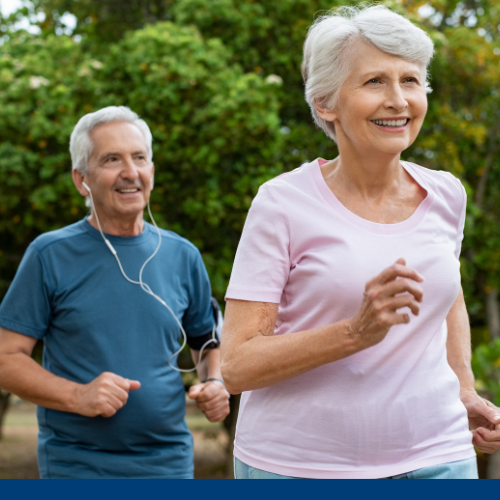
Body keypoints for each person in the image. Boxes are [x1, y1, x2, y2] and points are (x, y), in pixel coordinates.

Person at [221, 5, 500, 479]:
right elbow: (237, 365)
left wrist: (464, 390)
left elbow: (446, 297)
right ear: (325, 102)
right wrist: (355, 332)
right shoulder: (281, 203)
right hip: (301, 467)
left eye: (410, 80)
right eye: (375, 82)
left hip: (439, 456)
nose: (399, 100)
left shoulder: (446, 194)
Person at [0, 106, 229, 479]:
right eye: (112, 159)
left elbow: (206, 342)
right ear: (82, 180)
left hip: (169, 465)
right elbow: (6, 359)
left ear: (151, 170)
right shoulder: (49, 255)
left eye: (139, 158)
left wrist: (215, 383)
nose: (130, 172)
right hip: (77, 466)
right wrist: (79, 396)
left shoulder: (183, 255)